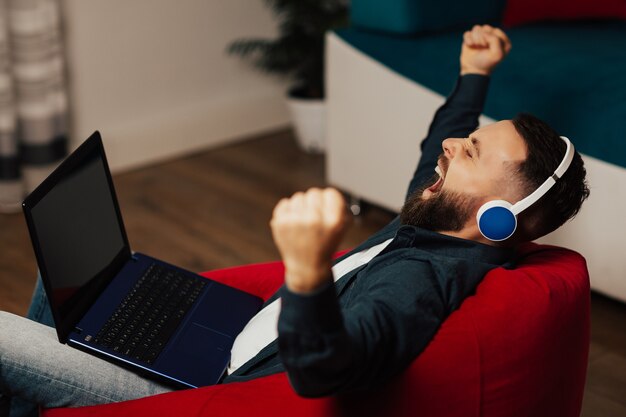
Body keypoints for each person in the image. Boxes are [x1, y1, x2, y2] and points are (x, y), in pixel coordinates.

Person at [0, 24, 589, 416]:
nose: (453, 145)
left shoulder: (421, 281)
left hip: (211, 391)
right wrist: (474, 72)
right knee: (73, 276)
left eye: (474, 154)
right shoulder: (435, 224)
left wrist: (308, 268)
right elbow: (437, 139)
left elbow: (326, 370)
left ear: (498, 221)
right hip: (241, 333)